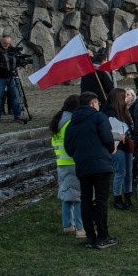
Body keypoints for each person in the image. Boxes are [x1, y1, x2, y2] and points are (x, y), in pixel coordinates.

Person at [63, 92, 118, 249]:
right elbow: (107, 138)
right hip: (100, 164)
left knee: (86, 200)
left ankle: (90, 237)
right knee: (101, 200)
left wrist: (79, 155)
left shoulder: (73, 122)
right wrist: (110, 148)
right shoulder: (98, 117)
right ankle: (102, 236)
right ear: (93, 103)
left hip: (83, 165)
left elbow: (69, 147)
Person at [50, 95, 85, 238]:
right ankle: (80, 227)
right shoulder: (71, 121)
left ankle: (67, 225)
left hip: (61, 163)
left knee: (66, 195)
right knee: (78, 197)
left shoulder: (58, 120)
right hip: (73, 162)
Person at [0, 34, 28, 124]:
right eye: (5, 43)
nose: (7, 45)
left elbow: (19, 59)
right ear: (1, 41)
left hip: (12, 76)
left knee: (15, 97)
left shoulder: (13, 49)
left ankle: (17, 115)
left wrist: (24, 64)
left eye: (8, 43)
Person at [105, 88, 135, 211]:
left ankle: (128, 195)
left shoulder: (124, 111)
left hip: (126, 144)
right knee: (120, 171)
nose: (127, 98)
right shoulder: (108, 113)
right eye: (124, 96)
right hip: (116, 145)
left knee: (129, 171)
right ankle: (117, 197)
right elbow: (106, 131)